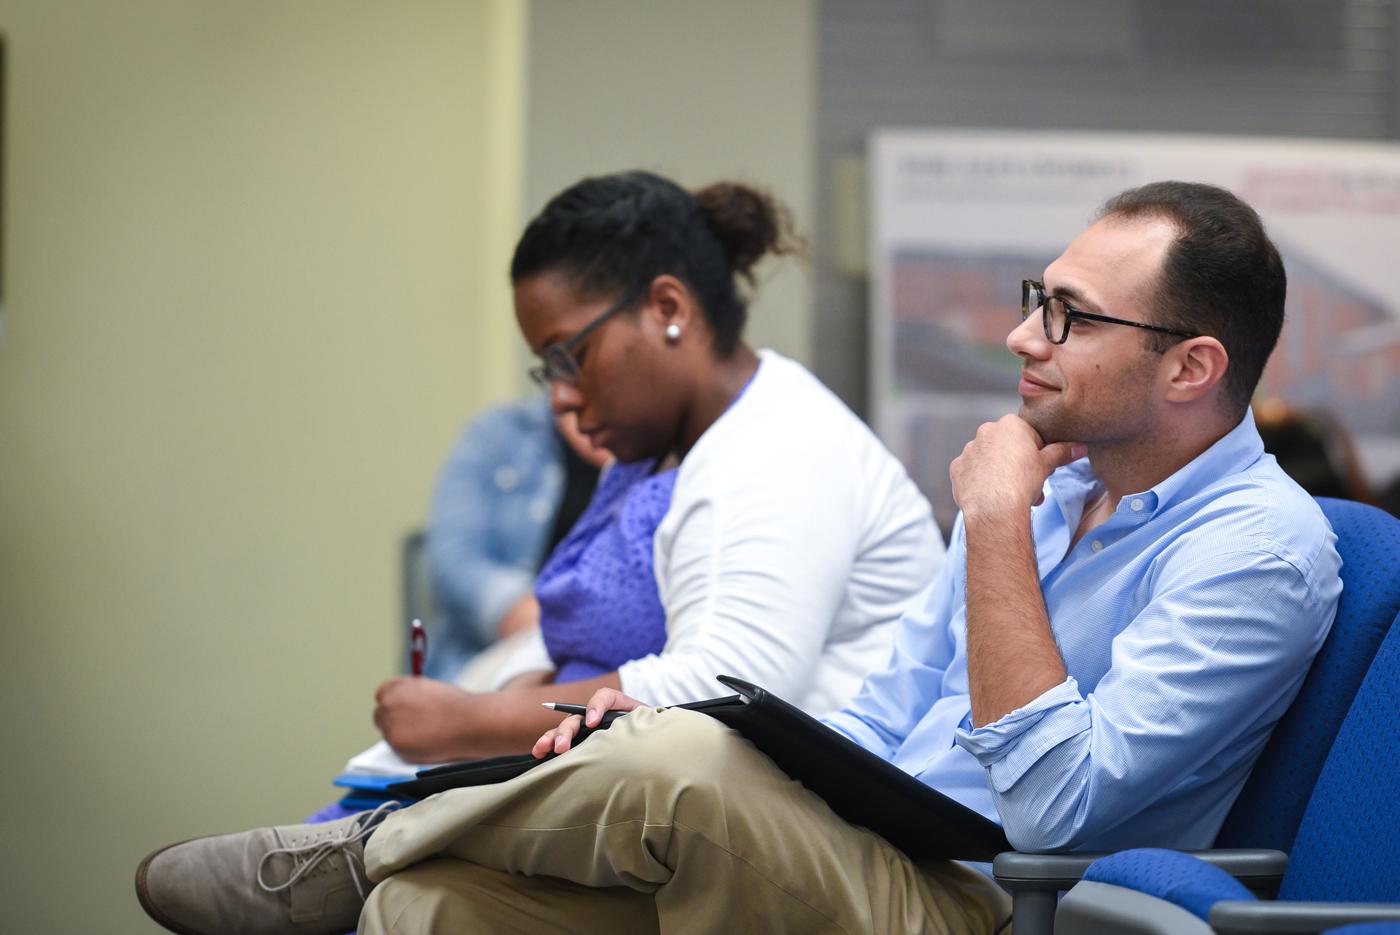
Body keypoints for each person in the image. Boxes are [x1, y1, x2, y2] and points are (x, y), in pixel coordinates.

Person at [136, 180, 1341, 935]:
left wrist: (986, 528)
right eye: (1040, 296)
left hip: (994, 900)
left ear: (1188, 366)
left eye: (1070, 315)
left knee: (679, 748)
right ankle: (378, 866)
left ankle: (358, 839)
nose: (1024, 336)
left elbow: (1051, 808)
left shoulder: (1261, 552)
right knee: (432, 906)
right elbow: (879, 717)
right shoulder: (1047, 483)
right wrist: (790, 768)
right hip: (876, 848)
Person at [364, 173, 940, 767]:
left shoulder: (778, 446)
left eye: (571, 356)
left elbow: (727, 692)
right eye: (547, 369)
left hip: (832, 828)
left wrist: (473, 721)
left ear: (668, 309)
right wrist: (523, 687)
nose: (559, 396)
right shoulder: (675, 452)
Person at [418, 397, 607, 682]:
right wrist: (542, 619)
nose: (564, 392)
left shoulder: (658, 457)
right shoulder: (499, 433)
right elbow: (455, 561)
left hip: (607, 663)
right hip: (505, 649)